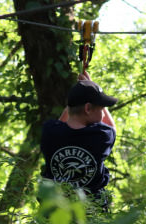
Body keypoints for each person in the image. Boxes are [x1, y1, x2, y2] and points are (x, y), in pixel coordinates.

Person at [40, 72, 118, 210]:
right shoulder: (101, 136)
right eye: (101, 107)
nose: (102, 111)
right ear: (88, 108)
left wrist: (79, 95)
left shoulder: (49, 131)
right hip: (91, 215)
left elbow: (63, 123)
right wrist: (91, 85)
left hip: (57, 215)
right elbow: (112, 127)